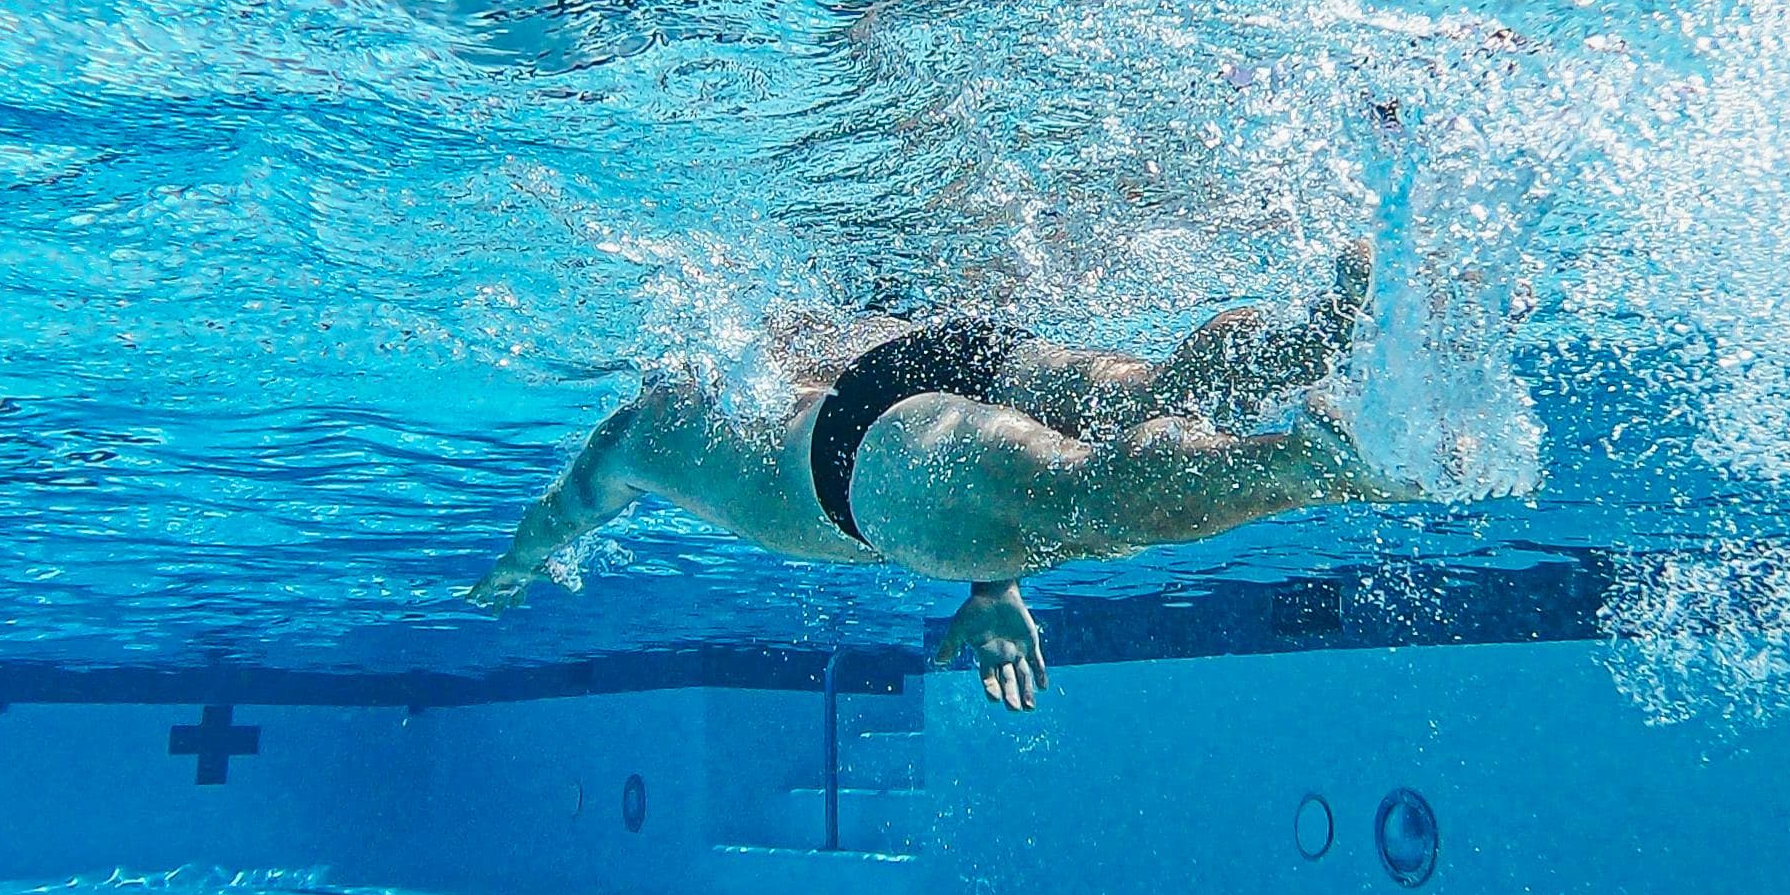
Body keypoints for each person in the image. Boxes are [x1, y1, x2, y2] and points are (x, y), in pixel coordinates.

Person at [466, 249, 1405, 708]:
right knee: (1154, 389)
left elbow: (561, 514)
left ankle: (1313, 466)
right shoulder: (781, 324)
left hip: (841, 461)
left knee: (1079, 498)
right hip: (933, 345)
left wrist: (511, 572)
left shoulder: (635, 437)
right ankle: (1319, 335)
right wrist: (994, 588)